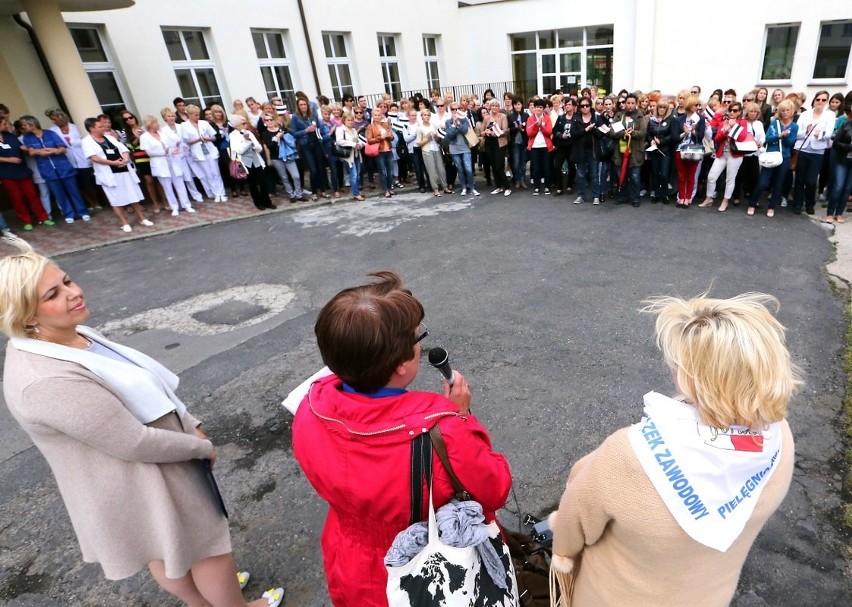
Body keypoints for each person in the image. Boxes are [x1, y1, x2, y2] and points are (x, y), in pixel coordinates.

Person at [0, 244, 284, 607]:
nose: (74, 293)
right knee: (207, 548)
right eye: (54, 294)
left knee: (167, 548)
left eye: (67, 280)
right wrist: (200, 447)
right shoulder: (42, 378)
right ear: (26, 317)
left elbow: (144, 385)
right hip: (142, 474)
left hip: (143, 471)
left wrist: (190, 422)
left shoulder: (68, 334)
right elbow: (133, 441)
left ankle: (208, 599)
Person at [549, 292, 799, 607]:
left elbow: (574, 522)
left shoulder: (629, 455)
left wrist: (562, 555)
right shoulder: (779, 440)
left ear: (695, 381)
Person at [292, 271, 512, 607]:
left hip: (349, 558)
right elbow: (493, 489)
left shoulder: (311, 408)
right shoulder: (441, 430)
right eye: (415, 338)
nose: (419, 343)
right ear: (400, 365)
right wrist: (462, 416)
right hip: (425, 572)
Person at [81, 116, 153, 233]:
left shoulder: (110, 138)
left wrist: (124, 159)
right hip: (108, 174)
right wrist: (113, 163)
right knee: (116, 199)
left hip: (124, 170)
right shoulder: (86, 142)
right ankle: (124, 222)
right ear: (91, 129)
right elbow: (94, 157)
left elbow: (124, 149)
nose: (103, 128)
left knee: (133, 195)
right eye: (99, 126)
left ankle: (142, 218)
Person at [19, 115, 90, 224]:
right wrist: (42, 151)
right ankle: (68, 214)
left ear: (32, 124)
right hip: (47, 169)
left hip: (63, 167)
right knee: (58, 193)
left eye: (24, 126)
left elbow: (62, 148)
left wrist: (53, 150)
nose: (23, 128)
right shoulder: (27, 137)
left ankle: (83, 212)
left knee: (73, 191)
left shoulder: (50, 133)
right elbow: (31, 152)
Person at [0, 116, 53, 230]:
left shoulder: (10, 136)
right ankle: (26, 221)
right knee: (17, 197)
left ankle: (43, 217)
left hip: (22, 170)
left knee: (32, 195)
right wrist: (9, 159)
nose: (7, 125)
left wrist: (35, 150)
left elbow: (21, 147)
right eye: (4, 123)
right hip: (7, 173)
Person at [748, 100, 799, 218]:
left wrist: (785, 138)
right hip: (770, 155)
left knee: (778, 183)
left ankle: (771, 207)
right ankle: (752, 203)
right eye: (783, 110)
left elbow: (790, 143)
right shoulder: (775, 123)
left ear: (792, 111)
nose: (785, 113)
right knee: (762, 182)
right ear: (779, 112)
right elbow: (768, 138)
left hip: (784, 157)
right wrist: (780, 135)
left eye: (787, 110)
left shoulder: (794, 126)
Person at [46, 108, 101, 211]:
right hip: (69, 161)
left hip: (83, 160)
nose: (53, 121)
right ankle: (89, 203)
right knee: (78, 185)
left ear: (61, 117)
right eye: (51, 120)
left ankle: (96, 202)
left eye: (54, 119)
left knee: (88, 184)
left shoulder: (76, 127)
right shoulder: (53, 131)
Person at [139, 115, 195, 217]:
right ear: (150, 125)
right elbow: (148, 152)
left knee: (180, 184)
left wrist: (175, 148)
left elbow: (174, 142)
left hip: (173, 161)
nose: (157, 124)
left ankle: (186, 205)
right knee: (167, 187)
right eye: (155, 122)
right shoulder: (144, 137)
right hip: (160, 164)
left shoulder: (162, 132)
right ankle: (174, 207)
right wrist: (163, 152)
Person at [791, 91, 836, 215]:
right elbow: (797, 132)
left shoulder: (830, 115)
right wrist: (806, 130)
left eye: (823, 100)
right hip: (803, 149)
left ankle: (810, 203)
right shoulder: (805, 114)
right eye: (818, 99)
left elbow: (828, 134)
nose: (820, 102)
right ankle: (797, 204)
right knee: (800, 179)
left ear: (826, 101)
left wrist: (818, 134)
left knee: (811, 180)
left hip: (818, 151)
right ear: (814, 100)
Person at [700, 101, 749, 212]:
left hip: (735, 155)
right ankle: (709, 198)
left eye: (735, 110)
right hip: (722, 153)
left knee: (730, 179)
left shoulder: (743, 123)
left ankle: (725, 201)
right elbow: (717, 139)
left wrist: (733, 126)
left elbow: (741, 138)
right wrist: (725, 130)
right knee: (711, 177)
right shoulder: (723, 122)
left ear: (739, 112)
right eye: (730, 110)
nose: (732, 112)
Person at [181, 104, 228, 202]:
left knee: (216, 173)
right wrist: (198, 139)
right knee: (208, 174)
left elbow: (214, 136)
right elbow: (187, 141)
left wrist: (208, 138)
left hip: (210, 150)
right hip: (199, 152)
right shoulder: (184, 126)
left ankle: (222, 193)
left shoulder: (204, 123)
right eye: (195, 115)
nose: (197, 117)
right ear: (189, 115)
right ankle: (216, 194)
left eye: (198, 115)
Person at [228, 114, 276, 211]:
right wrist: (246, 142)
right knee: (252, 184)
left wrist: (253, 144)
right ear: (237, 125)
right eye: (243, 123)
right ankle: (258, 203)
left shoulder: (249, 133)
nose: (246, 125)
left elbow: (259, 148)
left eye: (246, 123)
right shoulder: (232, 135)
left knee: (263, 182)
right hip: (245, 162)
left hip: (256, 160)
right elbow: (239, 150)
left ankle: (267, 202)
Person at [121, 110, 165, 214]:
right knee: (149, 181)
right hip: (140, 158)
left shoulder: (144, 128)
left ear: (134, 117)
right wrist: (137, 137)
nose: (129, 120)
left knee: (158, 179)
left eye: (130, 117)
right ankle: (155, 203)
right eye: (126, 119)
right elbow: (129, 147)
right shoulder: (125, 132)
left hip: (153, 156)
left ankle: (165, 201)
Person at [160, 108, 205, 204]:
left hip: (186, 153)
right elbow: (165, 144)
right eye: (168, 116)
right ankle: (186, 198)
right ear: (164, 118)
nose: (171, 118)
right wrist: (176, 144)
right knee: (181, 178)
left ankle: (196, 194)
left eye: (172, 116)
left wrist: (184, 145)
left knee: (190, 176)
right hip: (175, 156)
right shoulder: (163, 130)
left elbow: (187, 138)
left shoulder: (181, 126)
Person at [610, 94, 647, 207]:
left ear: (636, 104)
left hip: (635, 151)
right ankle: (622, 196)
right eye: (628, 103)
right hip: (620, 151)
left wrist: (633, 133)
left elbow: (643, 132)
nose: (630, 106)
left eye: (632, 103)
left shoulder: (640, 116)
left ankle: (635, 198)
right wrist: (623, 133)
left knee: (635, 176)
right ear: (624, 103)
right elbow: (612, 132)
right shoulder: (619, 115)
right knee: (621, 175)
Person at [444, 101, 479, 196]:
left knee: (468, 169)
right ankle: (463, 187)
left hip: (465, 148)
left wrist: (458, 124)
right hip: (454, 149)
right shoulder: (448, 122)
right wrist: (455, 125)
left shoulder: (464, 119)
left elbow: (464, 130)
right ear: (450, 110)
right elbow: (450, 134)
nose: (455, 111)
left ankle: (472, 188)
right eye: (453, 109)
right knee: (460, 169)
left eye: (456, 109)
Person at [645, 97, 676, 204]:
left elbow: (672, 136)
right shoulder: (652, 120)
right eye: (660, 107)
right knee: (654, 173)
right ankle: (657, 194)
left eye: (664, 107)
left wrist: (661, 141)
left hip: (665, 151)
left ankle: (664, 194)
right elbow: (648, 135)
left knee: (664, 173)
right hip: (654, 150)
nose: (661, 109)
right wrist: (651, 141)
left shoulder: (670, 120)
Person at [826, 103, 852, 223]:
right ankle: (830, 212)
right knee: (838, 187)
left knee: (847, 189)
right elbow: (836, 143)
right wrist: (849, 146)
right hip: (842, 160)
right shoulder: (846, 125)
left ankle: (839, 213)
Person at [416, 109, 448, 197]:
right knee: (432, 170)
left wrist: (436, 137)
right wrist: (427, 138)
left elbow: (438, 138)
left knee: (441, 168)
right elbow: (418, 143)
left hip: (436, 148)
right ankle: (435, 189)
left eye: (428, 115)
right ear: (421, 116)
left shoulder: (434, 125)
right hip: (427, 150)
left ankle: (445, 187)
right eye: (425, 115)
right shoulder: (419, 128)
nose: (427, 117)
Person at [526, 98, 554, 195]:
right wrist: (536, 126)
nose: (538, 109)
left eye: (540, 107)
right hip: (534, 147)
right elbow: (529, 134)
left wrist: (541, 126)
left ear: (543, 109)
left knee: (546, 167)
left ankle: (547, 186)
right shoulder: (530, 119)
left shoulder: (547, 118)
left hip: (545, 146)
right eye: (537, 107)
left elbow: (549, 132)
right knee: (536, 168)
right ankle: (537, 187)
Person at [366, 110, 396, 199]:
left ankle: (390, 188)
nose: (377, 116)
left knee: (390, 172)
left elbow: (392, 137)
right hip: (379, 152)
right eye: (375, 115)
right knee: (383, 172)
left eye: (379, 115)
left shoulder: (385, 124)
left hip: (388, 150)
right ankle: (385, 190)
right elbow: (369, 140)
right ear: (373, 116)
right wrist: (381, 137)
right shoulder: (370, 127)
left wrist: (390, 135)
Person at [335, 112, 364, 201]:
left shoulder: (354, 130)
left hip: (356, 154)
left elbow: (358, 140)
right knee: (353, 174)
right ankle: (356, 193)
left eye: (352, 120)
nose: (350, 122)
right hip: (348, 156)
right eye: (348, 120)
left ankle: (357, 191)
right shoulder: (340, 129)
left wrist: (360, 144)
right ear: (344, 120)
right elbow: (339, 141)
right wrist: (353, 144)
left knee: (358, 173)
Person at [508, 96, 529, 188]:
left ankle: (522, 180)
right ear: (513, 105)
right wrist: (516, 128)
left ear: (522, 105)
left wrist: (523, 129)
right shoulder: (510, 116)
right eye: (515, 104)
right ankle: (517, 180)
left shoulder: (526, 115)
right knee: (516, 163)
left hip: (524, 142)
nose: (517, 106)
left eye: (519, 104)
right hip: (515, 142)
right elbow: (508, 129)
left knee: (523, 163)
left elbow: (528, 128)